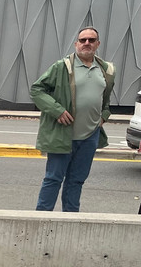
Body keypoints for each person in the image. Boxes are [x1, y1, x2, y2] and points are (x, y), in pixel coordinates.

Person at [31, 26, 115, 212]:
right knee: (53, 178)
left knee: (76, 181)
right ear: (76, 43)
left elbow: (106, 101)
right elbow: (37, 90)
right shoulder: (62, 67)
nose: (86, 43)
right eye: (83, 40)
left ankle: (71, 219)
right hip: (63, 135)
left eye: (91, 40)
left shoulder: (106, 70)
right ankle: (42, 219)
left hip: (89, 137)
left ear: (97, 44)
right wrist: (57, 110)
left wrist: (104, 117)